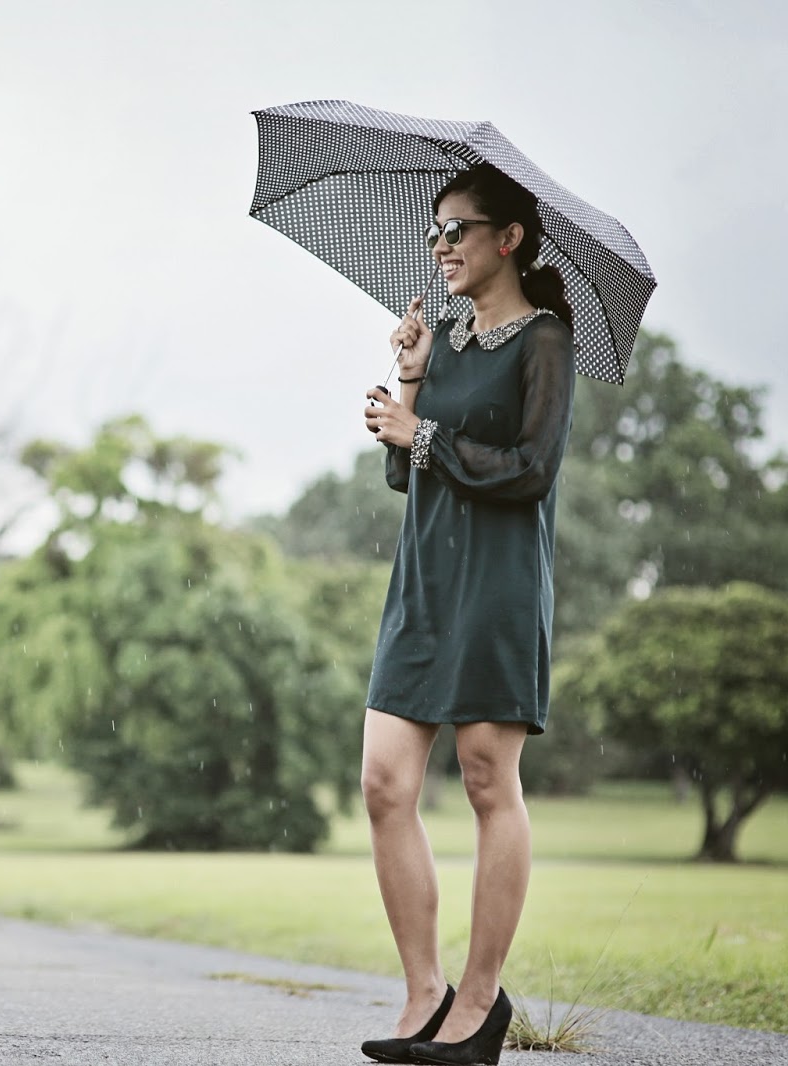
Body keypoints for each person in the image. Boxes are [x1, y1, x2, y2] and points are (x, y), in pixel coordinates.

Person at [357, 163, 576, 1066]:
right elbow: (402, 473)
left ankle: (480, 1002)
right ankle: (423, 992)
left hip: (497, 586)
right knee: (383, 784)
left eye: (459, 229)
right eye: (436, 231)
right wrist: (410, 382)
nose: (442, 245)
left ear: (509, 239)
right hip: (423, 586)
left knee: (490, 781)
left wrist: (428, 434)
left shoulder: (546, 340)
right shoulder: (440, 340)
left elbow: (531, 469)